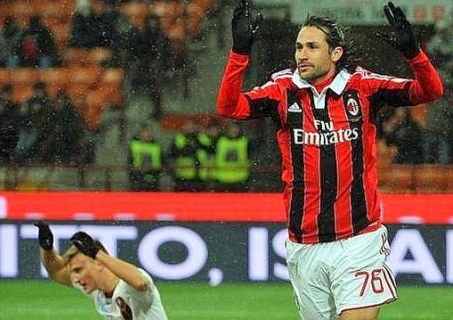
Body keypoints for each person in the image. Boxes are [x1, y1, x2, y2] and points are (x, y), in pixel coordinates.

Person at [217, 1, 443, 320]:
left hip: (358, 240)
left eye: (312, 46)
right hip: (304, 245)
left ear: (335, 53)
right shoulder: (282, 90)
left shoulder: (362, 87)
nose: (302, 54)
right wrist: (239, 52)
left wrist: (414, 54)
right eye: (298, 47)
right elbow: (230, 108)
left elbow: (429, 91)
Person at [35, 221, 168, 320]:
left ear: (99, 263)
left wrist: (97, 253)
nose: (75, 279)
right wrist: (47, 249)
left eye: (78, 270)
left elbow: (141, 283)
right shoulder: (97, 290)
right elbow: (56, 272)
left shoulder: (129, 285)